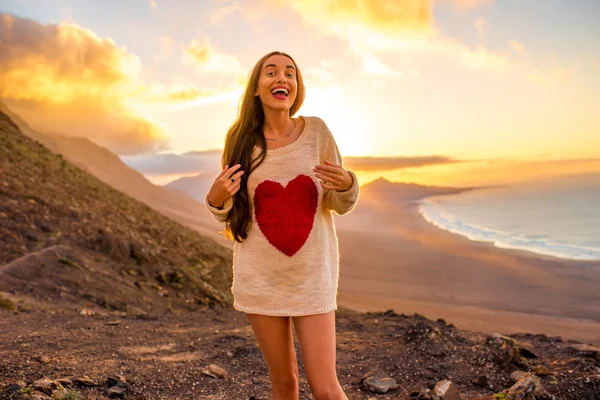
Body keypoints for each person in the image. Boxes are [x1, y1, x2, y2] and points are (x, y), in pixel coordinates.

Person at [205, 50, 359, 400]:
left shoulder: (317, 132)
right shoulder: (240, 140)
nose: (282, 78)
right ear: (257, 89)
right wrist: (216, 198)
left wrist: (348, 183)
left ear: (297, 87)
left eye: (290, 73)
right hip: (260, 279)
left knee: (326, 388)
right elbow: (236, 212)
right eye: (271, 72)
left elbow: (336, 202)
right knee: (284, 383)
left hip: (312, 278)